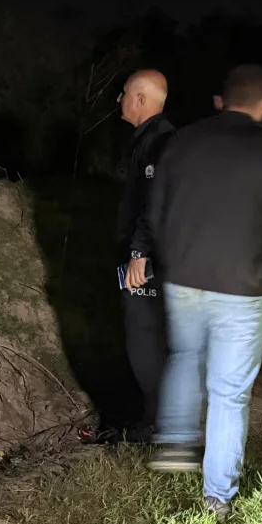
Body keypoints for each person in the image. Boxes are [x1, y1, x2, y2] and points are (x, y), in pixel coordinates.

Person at [145, 64, 262, 519]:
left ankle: (176, 441)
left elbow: (156, 213)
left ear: (221, 100)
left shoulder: (182, 142)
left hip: (185, 278)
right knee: (228, 392)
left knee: (184, 356)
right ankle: (217, 496)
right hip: (246, 288)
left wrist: (173, 263)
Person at [116, 69, 177, 441]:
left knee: (146, 340)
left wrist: (139, 251)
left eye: (123, 93)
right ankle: (152, 417)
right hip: (152, 256)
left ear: (139, 99)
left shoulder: (160, 143)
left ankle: (157, 425)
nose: (118, 100)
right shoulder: (151, 140)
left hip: (150, 262)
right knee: (148, 339)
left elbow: (156, 204)